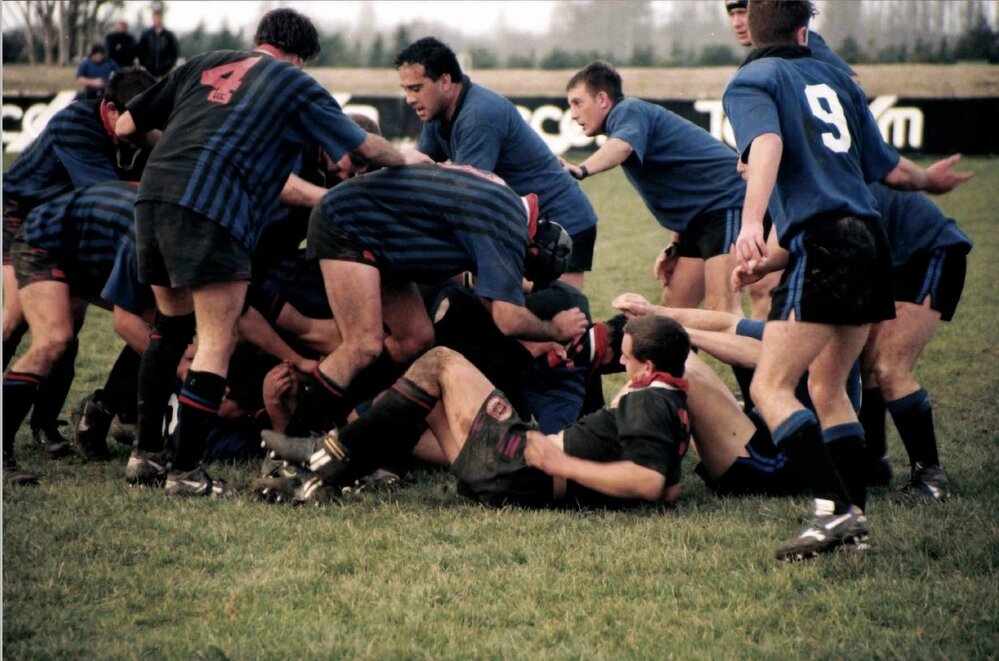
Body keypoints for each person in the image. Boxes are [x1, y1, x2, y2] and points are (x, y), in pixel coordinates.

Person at [115, 8, 426, 497]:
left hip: (153, 196)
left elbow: (127, 125)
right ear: (299, 57)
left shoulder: (207, 61)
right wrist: (404, 155)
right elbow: (362, 148)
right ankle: (186, 472)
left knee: (169, 329)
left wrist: (180, 149)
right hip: (212, 207)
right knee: (217, 339)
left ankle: (146, 456)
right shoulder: (290, 81)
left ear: (260, 40)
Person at [723, 0, 971, 560]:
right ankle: (850, 526)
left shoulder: (752, 78)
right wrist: (930, 180)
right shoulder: (838, 80)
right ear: (804, 29)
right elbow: (889, 170)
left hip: (825, 244)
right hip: (871, 240)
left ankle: (833, 512)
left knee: (770, 387)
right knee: (828, 389)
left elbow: (765, 145)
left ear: (752, 31)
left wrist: (750, 224)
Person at [257, 315, 691, 510]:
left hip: (522, 468)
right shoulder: (670, 401)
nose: (625, 367)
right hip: (521, 473)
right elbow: (669, 489)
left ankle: (328, 453)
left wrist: (565, 463)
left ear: (650, 367)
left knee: (440, 361)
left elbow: (648, 483)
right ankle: (324, 474)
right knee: (422, 398)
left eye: (629, 360)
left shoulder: (648, 397)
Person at [293, 162, 588, 434]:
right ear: (530, 250)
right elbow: (508, 318)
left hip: (380, 236)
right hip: (348, 223)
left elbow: (490, 296)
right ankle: (295, 438)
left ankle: (333, 420)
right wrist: (555, 329)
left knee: (416, 338)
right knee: (362, 344)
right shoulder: (508, 225)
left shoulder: (504, 203)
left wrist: (531, 341)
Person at [2, 66, 156, 455]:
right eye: (136, 123)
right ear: (108, 110)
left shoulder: (137, 131)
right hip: (20, 216)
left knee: (69, 323)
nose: (141, 133)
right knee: (16, 318)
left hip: (68, 227)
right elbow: (104, 194)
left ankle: (43, 426)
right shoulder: (76, 124)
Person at [396, 37, 598, 290]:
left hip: (560, 220)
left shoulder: (480, 115)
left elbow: (466, 192)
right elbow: (419, 171)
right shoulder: (437, 116)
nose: (409, 99)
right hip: (518, 224)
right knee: (507, 314)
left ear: (445, 81)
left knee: (559, 314)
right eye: (405, 89)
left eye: (416, 88)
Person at [563, 60, 747, 315]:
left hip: (727, 205)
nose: (572, 114)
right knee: (673, 311)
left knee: (722, 310)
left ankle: (768, 355)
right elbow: (687, 188)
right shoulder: (628, 118)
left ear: (603, 99)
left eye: (577, 103)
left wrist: (581, 169)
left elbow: (622, 146)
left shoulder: (627, 111)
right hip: (701, 219)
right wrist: (676, 246)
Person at [2, 181, 144, 482]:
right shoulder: (153, 226)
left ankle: (87, 417)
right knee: (52, 339)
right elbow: (124, 322)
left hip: (85, 247)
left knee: (153, 328)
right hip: (42, 240)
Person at [861, 184, 973, 502]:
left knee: (889, 366)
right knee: (865, 361)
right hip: (889, 258)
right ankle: (872, 462)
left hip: (929, 249)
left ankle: (930, 479)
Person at [136, 9, 179, 77]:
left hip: (165, 73)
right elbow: (140, 52)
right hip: (148, 73)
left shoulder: (169, 36)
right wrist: (146, 65)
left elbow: (174, 53)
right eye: (155, 17)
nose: (156, 20)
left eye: (158, 17)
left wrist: (167, 66)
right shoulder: (146, 35)